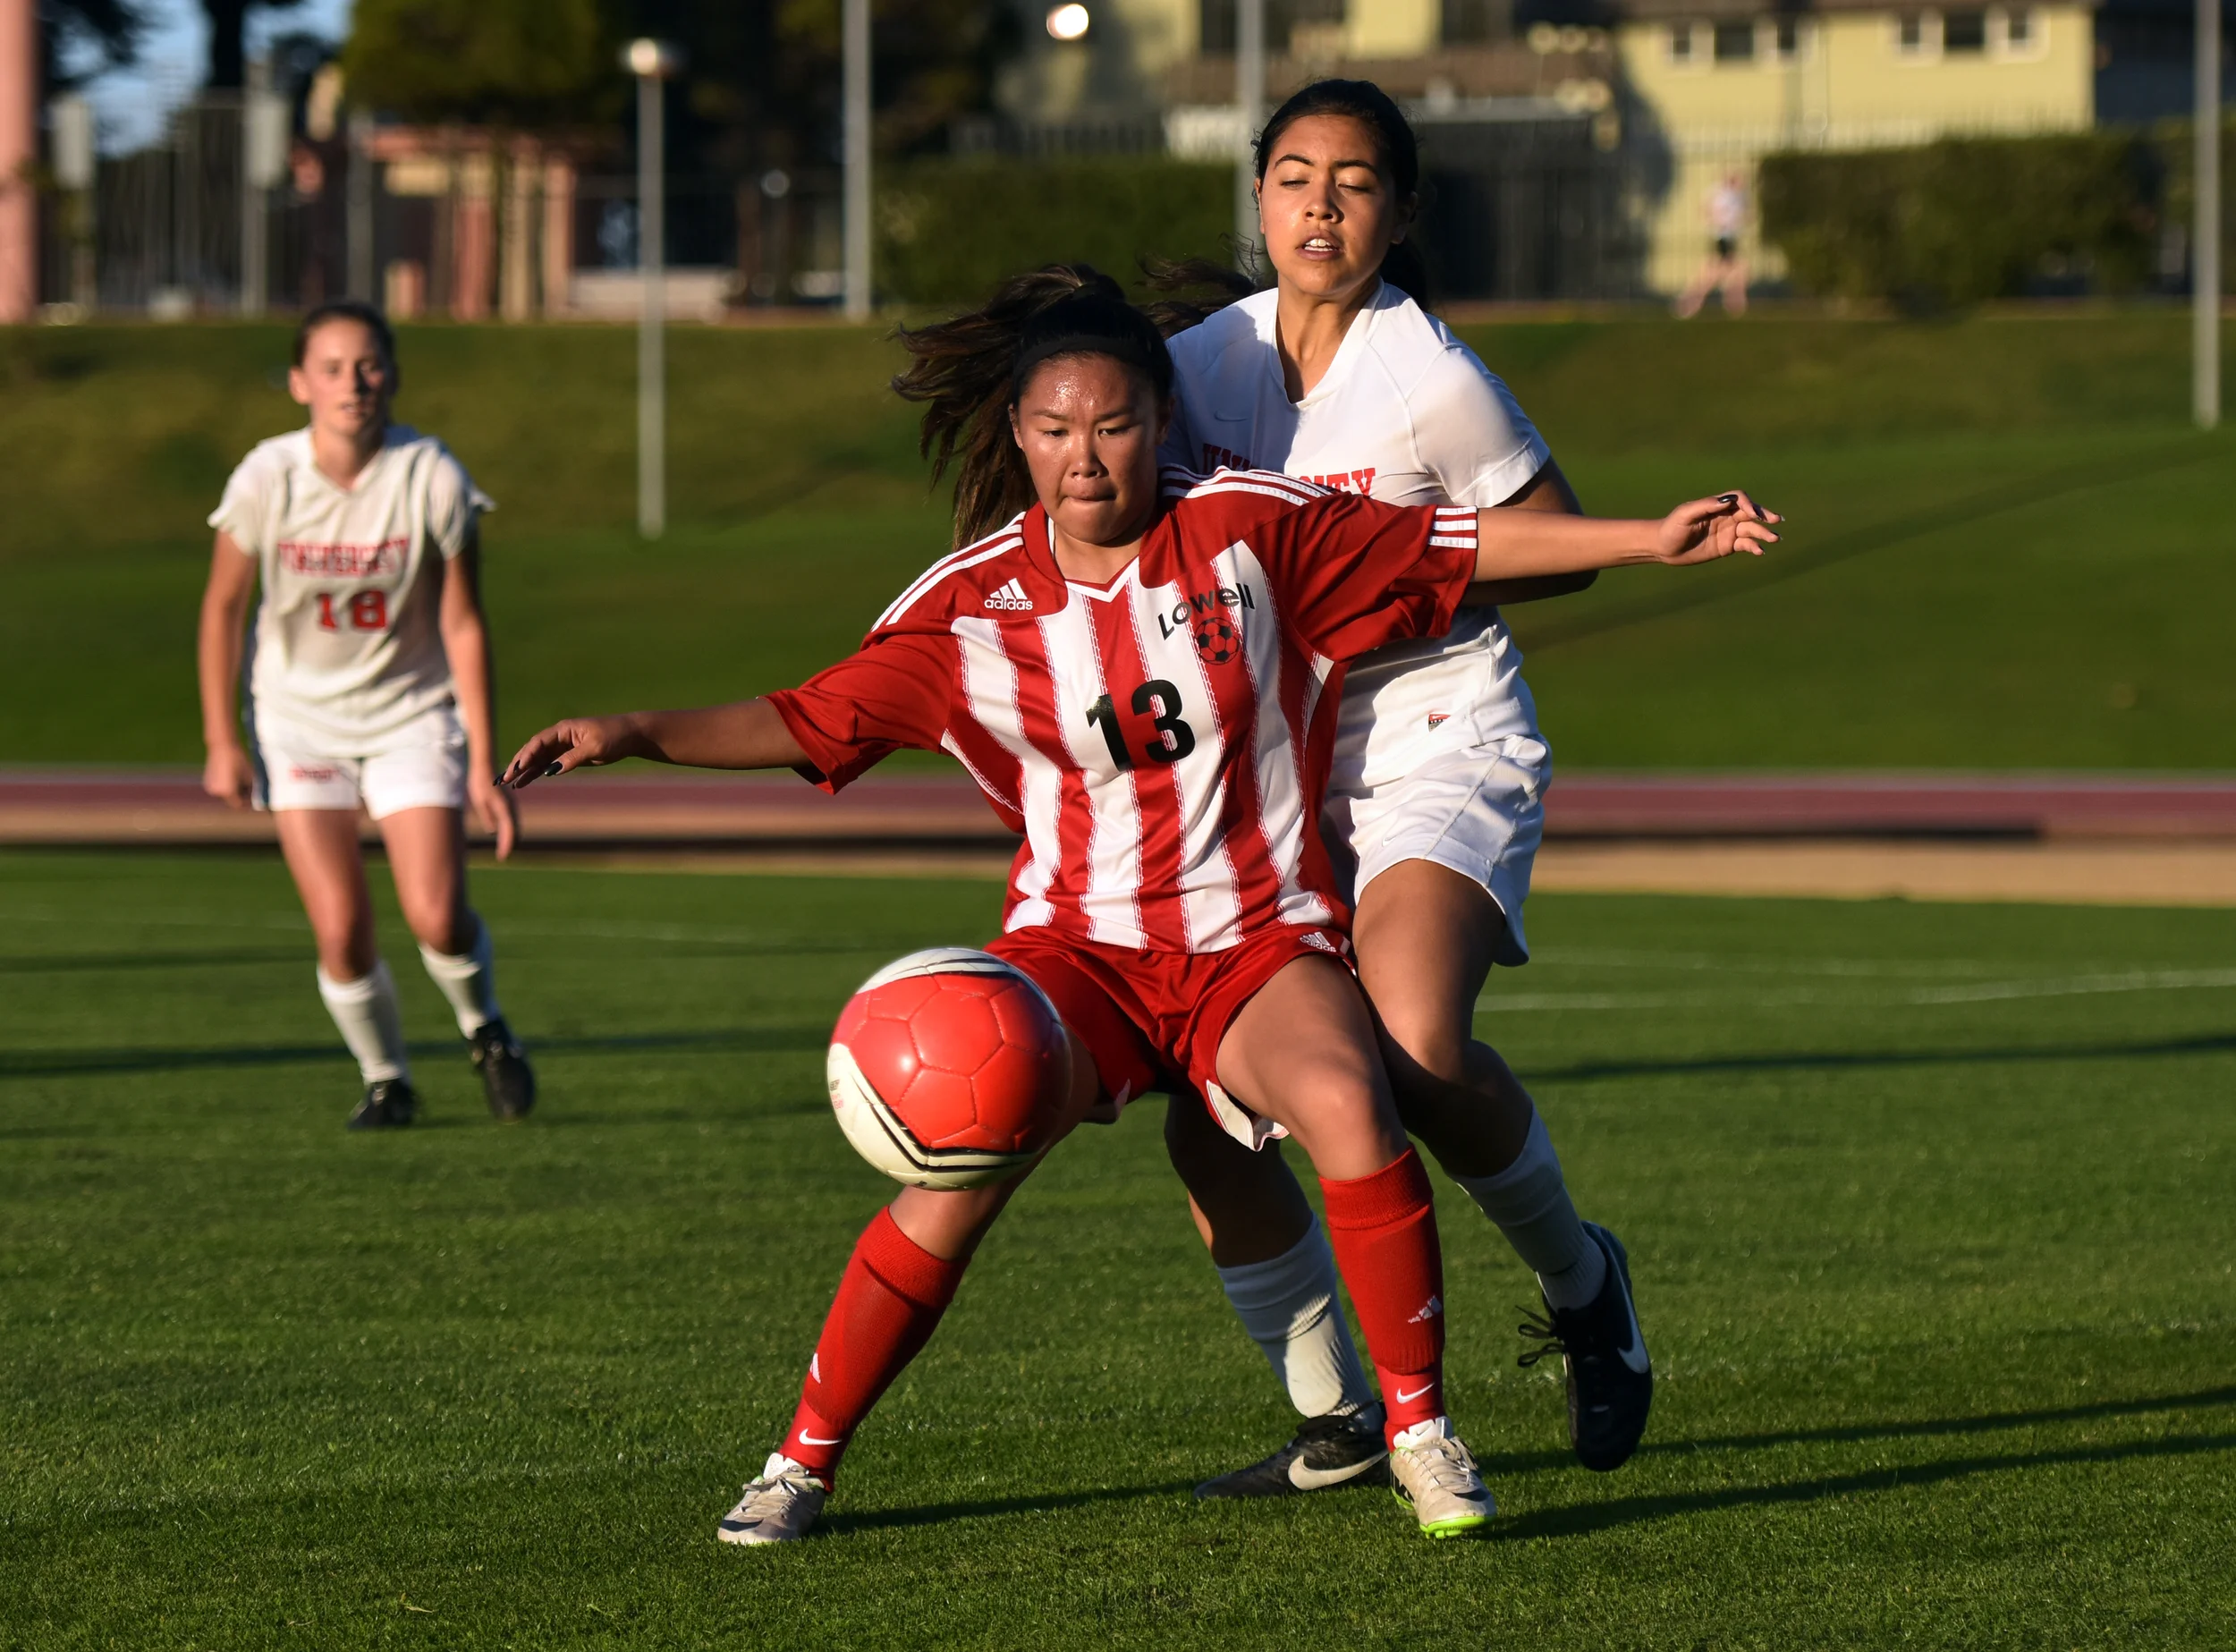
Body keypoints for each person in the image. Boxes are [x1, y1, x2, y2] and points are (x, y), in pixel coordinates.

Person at [501, 276, 1776, 1546]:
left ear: (1162, 419)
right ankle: (799, 1462)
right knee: (962, 1169)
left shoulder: (1252, 527)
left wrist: (1643, 537)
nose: (1084, 456)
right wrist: (631, 729)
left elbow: (1452, 545)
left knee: (1348, 1096)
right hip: (1077, 953)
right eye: (1055, 430)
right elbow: (806, 715)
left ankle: (1419, 1430)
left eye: (1112, 425)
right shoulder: (968, 605)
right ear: (1018, 436)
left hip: (1257, 934)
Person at [1142, 79, 1661, 1499]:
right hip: (1269, 769)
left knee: (1414, 1042)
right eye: (1295, 174)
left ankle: (1584, 1283)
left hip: (1439, 733)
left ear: (1401, 212)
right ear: (1255, 199)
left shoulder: (1426, 368)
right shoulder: (1194, 364)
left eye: (1355, 180)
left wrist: (1388, 595)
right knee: (1212, 1123)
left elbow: (1563, 546)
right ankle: (1338, 1418)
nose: (1320, 202)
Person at [197, 301, 535, 1131]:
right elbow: (222, 609)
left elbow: (462, 622)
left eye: (370, 364)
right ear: (299, 383)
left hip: (410, 716)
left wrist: (485, 763)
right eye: (334, 367)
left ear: (393, 375)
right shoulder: (266, 478)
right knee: (343, 931)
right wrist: (221, 738)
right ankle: (387, 1079)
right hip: (298, 722)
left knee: (434, 914)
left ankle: (483, 1025)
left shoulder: (431, 474)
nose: (354, 382)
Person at [1675, 172, 1751, 319]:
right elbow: (1709, 211)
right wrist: (1721, 221)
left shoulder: (1737, 196)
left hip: (1728, 237)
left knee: (1731, 270)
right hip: (1722, 237)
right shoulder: (1721, 194)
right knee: (1717, 273)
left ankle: (1732, 302)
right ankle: (1693, 301)